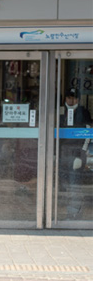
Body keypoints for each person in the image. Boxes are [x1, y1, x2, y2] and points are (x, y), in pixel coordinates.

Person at [58, 89, 91, 218]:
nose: (71, 100)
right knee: (65, 185)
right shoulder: (61, 112)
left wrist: (81, 154)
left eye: (74, 98)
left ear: (78, 99)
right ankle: (68, 211)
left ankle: (75, 213)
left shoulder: (83, 112)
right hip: (63, 153)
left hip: (77, 153)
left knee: (74, 185)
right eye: (68, 98)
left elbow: (88, 133)